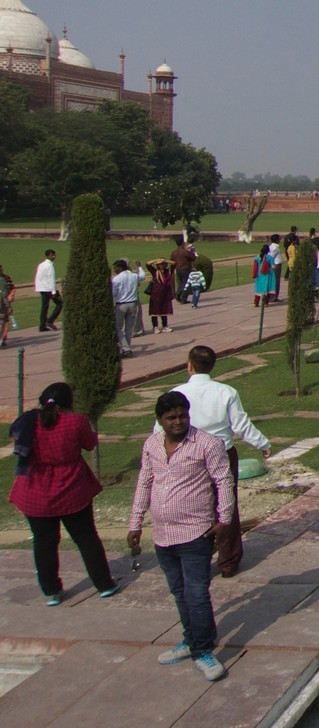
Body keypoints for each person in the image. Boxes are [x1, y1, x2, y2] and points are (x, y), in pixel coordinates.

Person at [127, 390, 234, 683]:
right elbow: (144, 483)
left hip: (195, 533)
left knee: (197, 594)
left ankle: (203, 651)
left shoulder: (207, 444)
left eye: (182, 416)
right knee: (179, 592)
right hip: (163, 535)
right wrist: (135, 523)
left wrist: (224, 520)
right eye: (171, 417)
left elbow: (223, 481)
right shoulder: (152, 445)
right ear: (160, 420)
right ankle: (191, 640)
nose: (177, 422)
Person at [8, 382, 117, 604]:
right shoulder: (76, 421)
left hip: (35, 492)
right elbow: (90, 444)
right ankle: (104, 584)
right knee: (86, 537)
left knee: (43, 542)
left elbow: (17, 442)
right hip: (71, 489)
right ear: (69, 402)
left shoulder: (28, 421)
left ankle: (51, 592)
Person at [167, 345, 270, 578]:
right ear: (212, 366)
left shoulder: (177, 393)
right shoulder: (225, 392)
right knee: (226, 504)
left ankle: (198, 557)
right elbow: (241, 426)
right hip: (222, 453)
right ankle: (229, 560)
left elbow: (160, 429)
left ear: (189, 365)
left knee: (194, 504)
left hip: (189, 454)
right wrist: (262, 444)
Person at [111, 259, 141, 356]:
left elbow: (113, 293)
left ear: (120, 268)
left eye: (115, 268)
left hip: (121, 304)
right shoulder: (134, 276)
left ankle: (126, 348)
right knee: (129, 328)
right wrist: (139, 267)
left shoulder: (117, 279)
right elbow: (142, 276)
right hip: (133, 304)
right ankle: (126, 349)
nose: (114, 270)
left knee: (118, 327)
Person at [145, 258, 176, 333]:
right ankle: (155, 326)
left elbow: (174, 263)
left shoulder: (168, 271)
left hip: (166, 294)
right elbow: (147, 264)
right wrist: (156, 260)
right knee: (155, 312)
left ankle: (165, 326)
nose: (162, 265)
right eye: (160, 264)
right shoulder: (155, 272)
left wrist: (165, 260)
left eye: (163, 264)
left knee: (164, 311)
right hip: (156, 294)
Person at [35, 249, 62, 331]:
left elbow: (38, 277)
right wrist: (53, 291)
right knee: (60, 303)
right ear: (48, 256)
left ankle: (42, 326)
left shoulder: (41, 264)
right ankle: (50, 321)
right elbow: (51, 279)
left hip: (43, 288)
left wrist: (38, 287)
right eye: (52, 255)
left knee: (44, 307)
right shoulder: (49, 266)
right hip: (49, 289)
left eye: (54, 255)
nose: (53, 257)